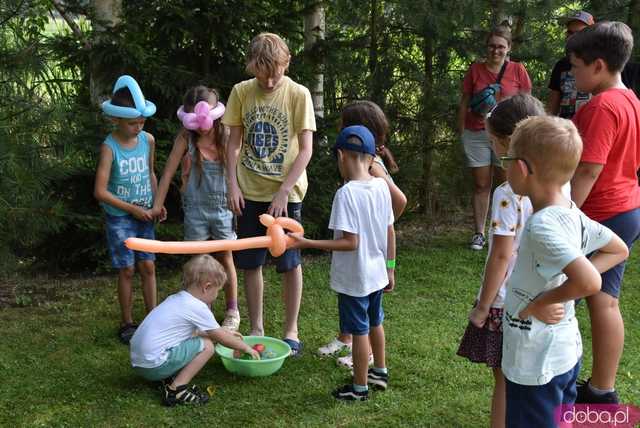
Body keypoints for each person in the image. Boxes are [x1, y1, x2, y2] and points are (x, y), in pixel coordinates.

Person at [500, 116, 628, 427]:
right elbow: (618, 248)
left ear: (521, 168)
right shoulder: (571, 212)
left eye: (507, 159)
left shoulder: (543, 225)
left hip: (536, 363)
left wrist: (540, 301)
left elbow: (589, 280)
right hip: (562, 353)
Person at [457, 94, 551, 428]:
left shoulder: (507, 194)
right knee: (537, 379)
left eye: (492, 141)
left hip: (507, 302)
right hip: (545, 298)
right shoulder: (558, 183)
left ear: (505, 143)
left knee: (505, 380)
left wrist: (482, 308)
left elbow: (501, 253)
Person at [222, 32, 316, 355]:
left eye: (276, 71)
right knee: (251, 262)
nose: (271, 79)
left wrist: (284, 191)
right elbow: (232, 144)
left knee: (290, 262)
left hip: (286, 195)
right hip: (249, 190)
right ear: (253, 67)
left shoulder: (298, 94)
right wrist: (232, 185)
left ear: (286, 63)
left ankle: (292, 331)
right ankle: (256, 327)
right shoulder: (241, 93)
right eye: (264, 72)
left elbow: (306, 150)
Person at [290, 125, 395, 401]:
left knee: (359, 330)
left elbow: (350, 242)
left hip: (355, 278)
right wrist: (390, 267)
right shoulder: (382, 186)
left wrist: (307, 243)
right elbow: (389, 230)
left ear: (341, 156)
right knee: (376, 322)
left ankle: (359, 387)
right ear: (372, 158)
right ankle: (379, 372)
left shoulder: (346, 194)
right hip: (376, 273)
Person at [567, 21, 640, 404]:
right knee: (604, 299)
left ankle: (558, 386)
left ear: (597, 65)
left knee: (562, 296)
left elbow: (589, 169)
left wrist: (565, 213)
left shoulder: (603, 106)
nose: (572, 73)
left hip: (600, 215)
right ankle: (602, 391)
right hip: (626, 208)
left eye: (575, 66)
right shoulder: (631, 100)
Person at [317, 100, 407, 370]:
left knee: (363, 313)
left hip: (363, 260)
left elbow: (399, 201)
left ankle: (363, 364)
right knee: (364, 311)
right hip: (371, 265)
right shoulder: (364, 164)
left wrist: (375, 228)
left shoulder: (372, 168)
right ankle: (349, 340)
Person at [151, 86, 240, 331]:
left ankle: (232, 309)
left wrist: (236, 191)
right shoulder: (185, 139)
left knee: (225, 257)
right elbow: (168, 172)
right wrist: (157, 205)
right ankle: (202, 309)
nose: (202, 126)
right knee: (199, 261)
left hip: (223, 208)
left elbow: (238, 168)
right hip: (195, 210)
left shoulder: (227, 134)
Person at [130, 255, 259, 407]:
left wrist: (226, 332)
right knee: (207, 346)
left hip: (140, 362)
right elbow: (218, 337)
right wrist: (243, 347)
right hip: (154, 365)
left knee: (198, 340)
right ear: (207, 287)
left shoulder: (176, 299)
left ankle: (168, 376)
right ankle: (176, 389)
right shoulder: (198, 307)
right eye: (217, 291)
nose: (216, 296)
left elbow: (196, 332)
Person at [94, 75, 162, 344]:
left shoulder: (149, 140)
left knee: (148, 266)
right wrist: (131, 210)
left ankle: (153, 319)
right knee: (127, 269)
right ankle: (127, 323)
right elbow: (100, 191)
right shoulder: (109, 147)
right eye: (133, 123)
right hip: (121, 219)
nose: (138, 127)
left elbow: (151, 173)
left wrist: (157, 204)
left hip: (146, 214)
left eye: (141, 122)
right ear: (116, 120)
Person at [458, 26, 532, 250]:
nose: (496, 50)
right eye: (492, 46)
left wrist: (525, 134)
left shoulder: (518, 70)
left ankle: (507, 230)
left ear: (508, 48)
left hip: (506, 136)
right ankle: (479, 233)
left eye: (501, 46)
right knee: (481, 184)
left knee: (508, 183)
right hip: (477, 132)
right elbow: (465, 101)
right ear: (486, 47)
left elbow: (526, 104)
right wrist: (461, 130)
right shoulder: (475, 70)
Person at [547, 10, 594, 119]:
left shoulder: (601, 63)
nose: (572, 37)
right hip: (566, 131)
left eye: (579, 33)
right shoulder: (561, 65)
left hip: (594, 127)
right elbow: (552, 107)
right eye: (570, 32)